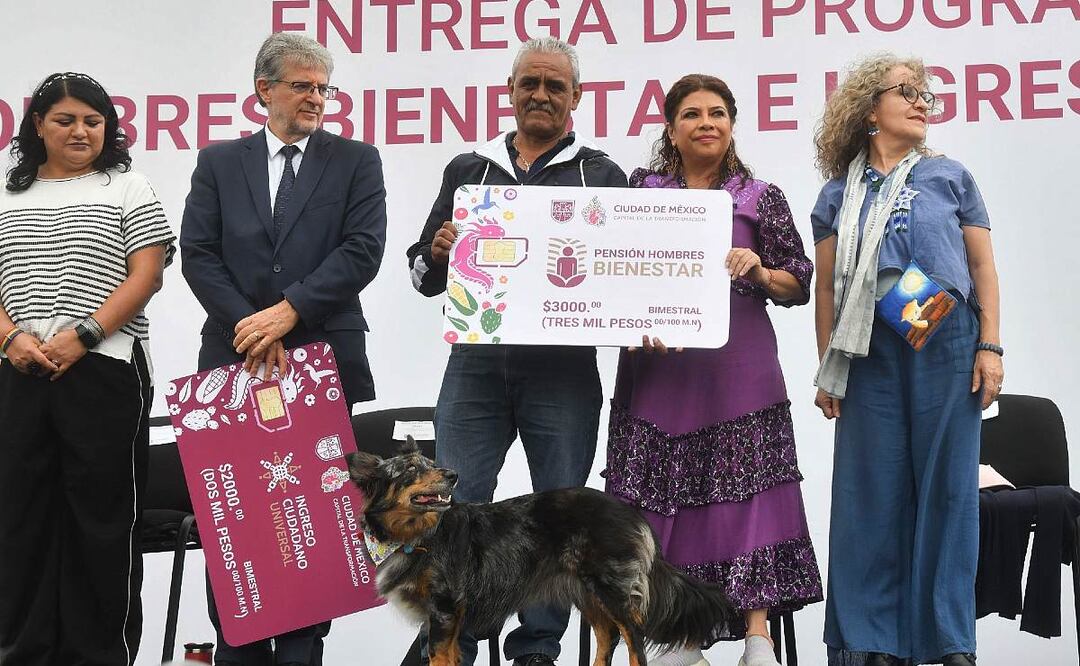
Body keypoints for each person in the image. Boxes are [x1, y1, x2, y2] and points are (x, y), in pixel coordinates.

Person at [405, 37, 627, 666]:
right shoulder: (467, 170)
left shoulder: (603, 174)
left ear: (577, 99)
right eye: (530, 82)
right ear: (509, 90)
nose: (541, 95)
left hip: (563, 371)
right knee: (451, 515)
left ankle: (537, 650)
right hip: (475, 364)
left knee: (559, 517)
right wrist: (440, 254)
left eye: (555, 86)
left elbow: (621, 279)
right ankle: (454, 646)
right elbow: (422, 275)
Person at [180, 33, 387, 666]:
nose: (318, 99)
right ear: (264, 91)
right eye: (304, 86)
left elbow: (362, 250)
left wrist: (288, 312)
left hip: (323, 356)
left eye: (325, 88)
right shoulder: (219, 162)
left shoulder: (356, 160)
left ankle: (304, 653)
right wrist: (251, 324)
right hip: (232, 360)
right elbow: (199, 255)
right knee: (236, 522)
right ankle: (235, 647)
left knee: (315, 529)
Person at [603, 74, 822, 666]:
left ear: (732, 125)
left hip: (739, 371)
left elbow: (799, 282)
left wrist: (759, 271)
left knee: (750, 499)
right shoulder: (639, 191)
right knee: (663, 500)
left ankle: (759, 638)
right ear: (670, 130)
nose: (708, 122)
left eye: (719, 113)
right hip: (657, 373)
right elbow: (612, 277)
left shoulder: (759, 196)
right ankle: (681, 638)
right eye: (693, 114)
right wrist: (629, 320)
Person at [812, 54, 1003, 666]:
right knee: (870, 493)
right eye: (908, 93)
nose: (923, 103)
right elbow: (824, 289)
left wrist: (990, 345)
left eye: (928, 96)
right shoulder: (837, 194)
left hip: (945, 337)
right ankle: (870, 642)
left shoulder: (950, 176)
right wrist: (826, 367)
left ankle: (948, 641)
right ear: (871, 109)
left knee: (948, 492)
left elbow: (981, 268)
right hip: (867, 349)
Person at [0, 72, 175, 665]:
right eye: (65, 120)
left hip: (104, 369)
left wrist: (86, 335)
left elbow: (146, 275)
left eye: (92, 121)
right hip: (17, 370)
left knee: (100, 523)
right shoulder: (6, 189)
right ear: (37, 127)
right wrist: (9, 339)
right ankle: (21, 652)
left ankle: (98, 654)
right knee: (19, 519)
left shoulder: (128, 185)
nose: (80, 131)